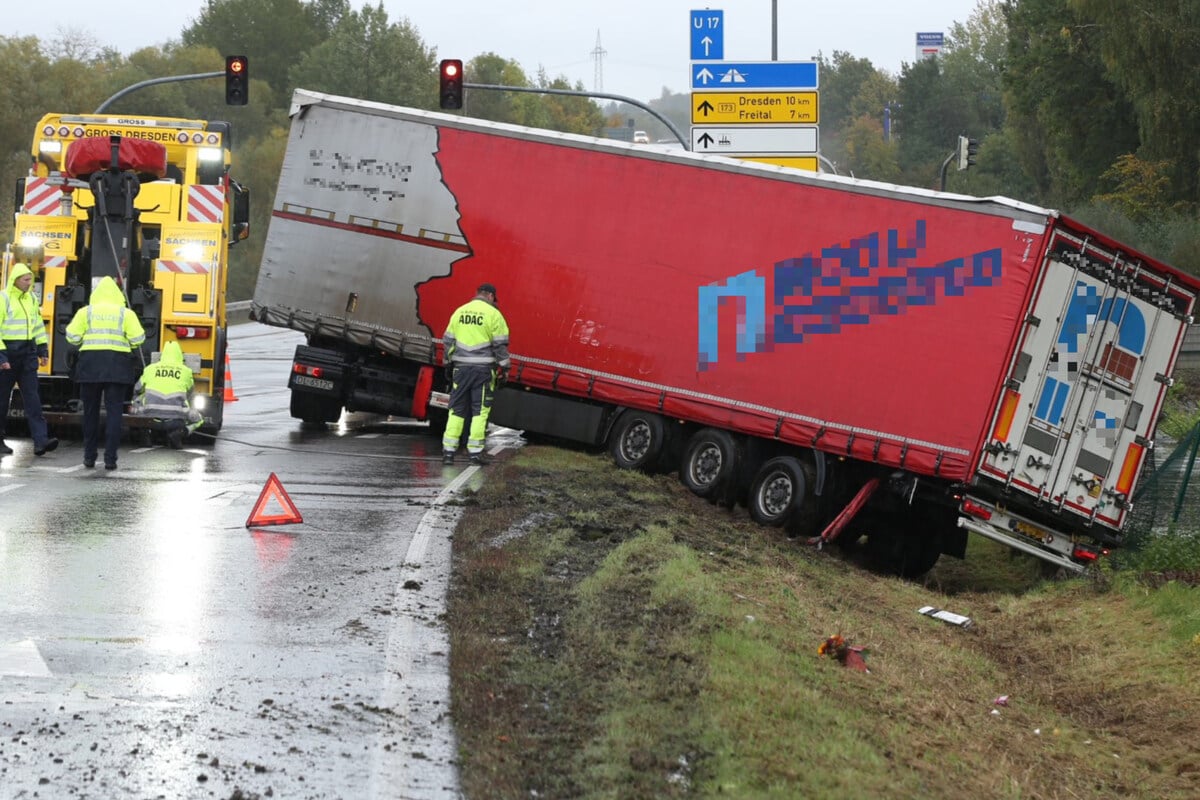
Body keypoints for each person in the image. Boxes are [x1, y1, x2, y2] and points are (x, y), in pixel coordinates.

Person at [65, 276, 146, 470]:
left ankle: (89, 457)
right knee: (114, 413)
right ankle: (110, 459)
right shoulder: (125, 314)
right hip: (117, 367)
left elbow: (72, 337)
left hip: (90, 367)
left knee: (90, 413)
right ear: (118, 295)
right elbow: (139, 339)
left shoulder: (86, 312)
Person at [442, 282, 510, 465]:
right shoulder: (494, 315)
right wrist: (505, 368)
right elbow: (500, 346)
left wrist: (448, 363)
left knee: (456, 410)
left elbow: (448, 341)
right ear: (490, 296)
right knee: (479, 411)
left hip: (461, 369)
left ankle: (448, 452)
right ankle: (475, 454)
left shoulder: (460, 311)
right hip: (483, 371)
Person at [0, 263, 57, 456]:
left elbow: (38, 326)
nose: (29, 283)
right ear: (15, 280)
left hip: (27, 354)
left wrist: (42, 350)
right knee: (1, 401)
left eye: (30, 279)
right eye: (25, 279)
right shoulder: (4, 298)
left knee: (33, 399)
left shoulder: (32, 299)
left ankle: (41, 441)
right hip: (7, 354)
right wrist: (2, 356)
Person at [132, 340, 202, 449]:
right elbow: (190, 393)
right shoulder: (186, 371)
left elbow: (137, 389)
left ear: (163, 355)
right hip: (175, 421)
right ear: (179, 356)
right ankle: (179, 433)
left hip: (151, 420)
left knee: (138, 398)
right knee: (199, 419)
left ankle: (145, 433)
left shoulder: (150, 369)